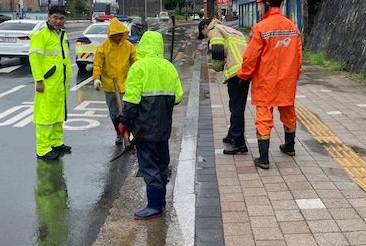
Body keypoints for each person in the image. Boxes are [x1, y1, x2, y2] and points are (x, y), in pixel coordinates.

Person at [119, 31, 183, 220]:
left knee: (150, 166)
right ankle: (161, 200)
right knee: (162, 164)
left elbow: (131, 101)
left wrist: (123, 122)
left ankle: (154, 206)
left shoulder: (139, 68)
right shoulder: (169, 67)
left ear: (143, 45)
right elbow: (178, 97)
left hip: (143, 129)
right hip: (163, 128)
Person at [238, 0, 302, 170]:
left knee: (264, 116)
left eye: (259, 5)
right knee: (288, 112)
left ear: (266, 4)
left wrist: (244, 75)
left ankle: (264, 158)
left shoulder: (260, 28)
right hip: (287, 81)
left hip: (266, 81)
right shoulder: (293, 27)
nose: (258, 8)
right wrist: (294, 77)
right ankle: (290, 147)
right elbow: (298, 57)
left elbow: (250, 57)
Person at [198, 17, 250, 155]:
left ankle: (239, 144)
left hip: (235, 73)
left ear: (204, 28)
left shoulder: (214, 31)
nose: (205, 37)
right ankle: (232, 135)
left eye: (203, 35)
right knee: (236, 106)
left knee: (236, 108)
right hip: (245, 71)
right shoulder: (230, 30)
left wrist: (218, 68)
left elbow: (217, 52)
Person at [29, 7, 73, 161]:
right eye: (55, 17)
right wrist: (39, 80)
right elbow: (35, 59)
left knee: (58, 114)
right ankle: (43, 149)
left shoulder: (62, 34)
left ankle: (56, 142)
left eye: (61, 18)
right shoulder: (41, 34)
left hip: (60, 82)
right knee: (45, 116)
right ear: (48, 17)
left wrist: (67, 78)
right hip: (47, 82)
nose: (58, 21)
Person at [92, 18, 137, 145]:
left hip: (127, 84)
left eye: (119, 34)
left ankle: (128, 134)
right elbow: (97, 65)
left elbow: (135, 61)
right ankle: (119, 133)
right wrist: (96, 78)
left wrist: (136, 77)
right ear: (110, 34)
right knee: (114, 114)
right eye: (114, 35)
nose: (117, 37)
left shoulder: (129, 47)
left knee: (127, 112)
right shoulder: (103, 48)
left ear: (123, 34)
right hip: (110, 86)